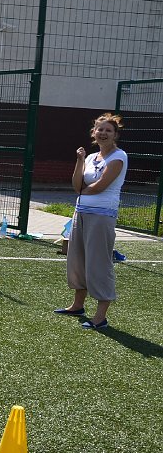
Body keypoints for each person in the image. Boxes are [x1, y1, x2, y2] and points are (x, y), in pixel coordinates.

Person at [54, 113, 128, 330]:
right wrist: (79, 161)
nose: (103, 133)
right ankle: (77, 306)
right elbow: (76, 184)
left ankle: (100, 317)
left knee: (98, 263)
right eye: (100, 129)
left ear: (115, 134)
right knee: (77, 260)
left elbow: (101, 186)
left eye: (108, 130)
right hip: (81, 213)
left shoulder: (119, 156)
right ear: (94, 132)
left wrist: (81, 191)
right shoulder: (89, 158)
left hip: (102, 215)